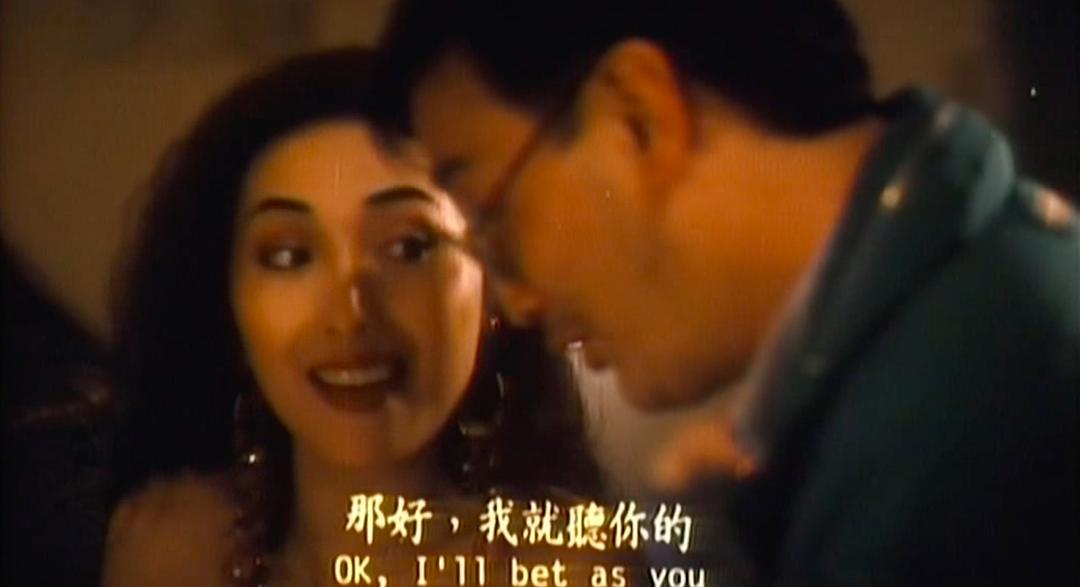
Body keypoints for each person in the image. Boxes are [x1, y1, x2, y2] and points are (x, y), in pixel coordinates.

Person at [377, 1, 1079, 584]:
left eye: (491, 216)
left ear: (638, 112)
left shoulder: (957, 437)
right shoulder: (953, 319)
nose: (517, 302)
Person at [104, 47, 605, 586]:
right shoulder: (169, 551)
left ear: (495, 289)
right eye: (289, 255)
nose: (351, 314)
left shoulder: (567, 567)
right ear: (229, 302)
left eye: (408, 247)